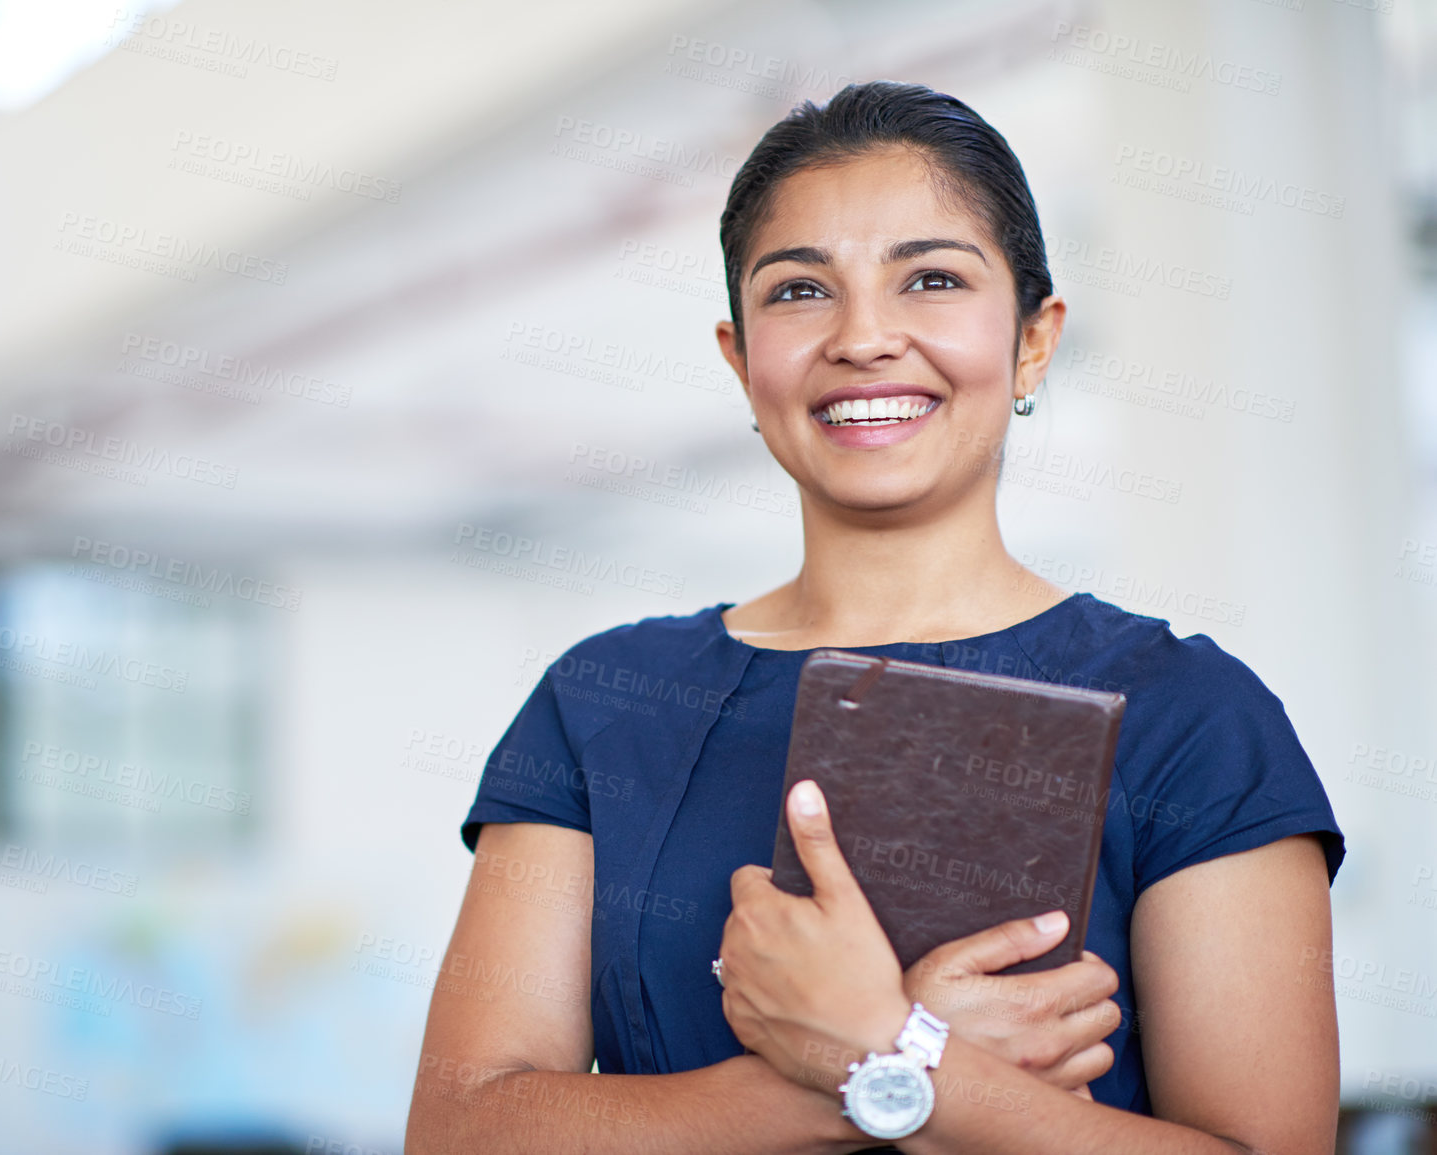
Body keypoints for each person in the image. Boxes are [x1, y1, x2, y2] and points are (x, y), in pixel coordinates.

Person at [405, 81, 1344, 1154]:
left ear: (1035, 340)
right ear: (739, 360)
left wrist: (886, 1043)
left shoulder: (1194, 718)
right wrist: (873, 1065)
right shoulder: (604, 700)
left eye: (932, 279)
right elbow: (462, 1128)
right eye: (800, 292)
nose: (864, 338)